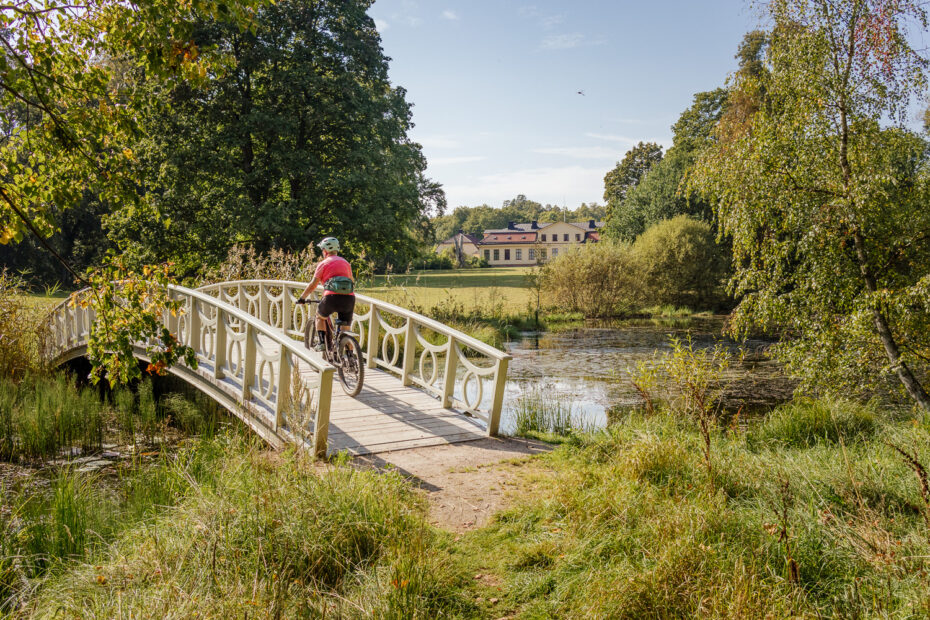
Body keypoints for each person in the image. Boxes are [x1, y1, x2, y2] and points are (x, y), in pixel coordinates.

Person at [296, 237, 355, 351]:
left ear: (325, 251)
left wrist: (302, 298)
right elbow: (352, 281)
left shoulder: (323, 263)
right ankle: (350, 357)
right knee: (346, 330)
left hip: (331, 298)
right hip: (349, 298)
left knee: (320, 316)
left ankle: (322, 343)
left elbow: (313, 284)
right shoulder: (346, 263)